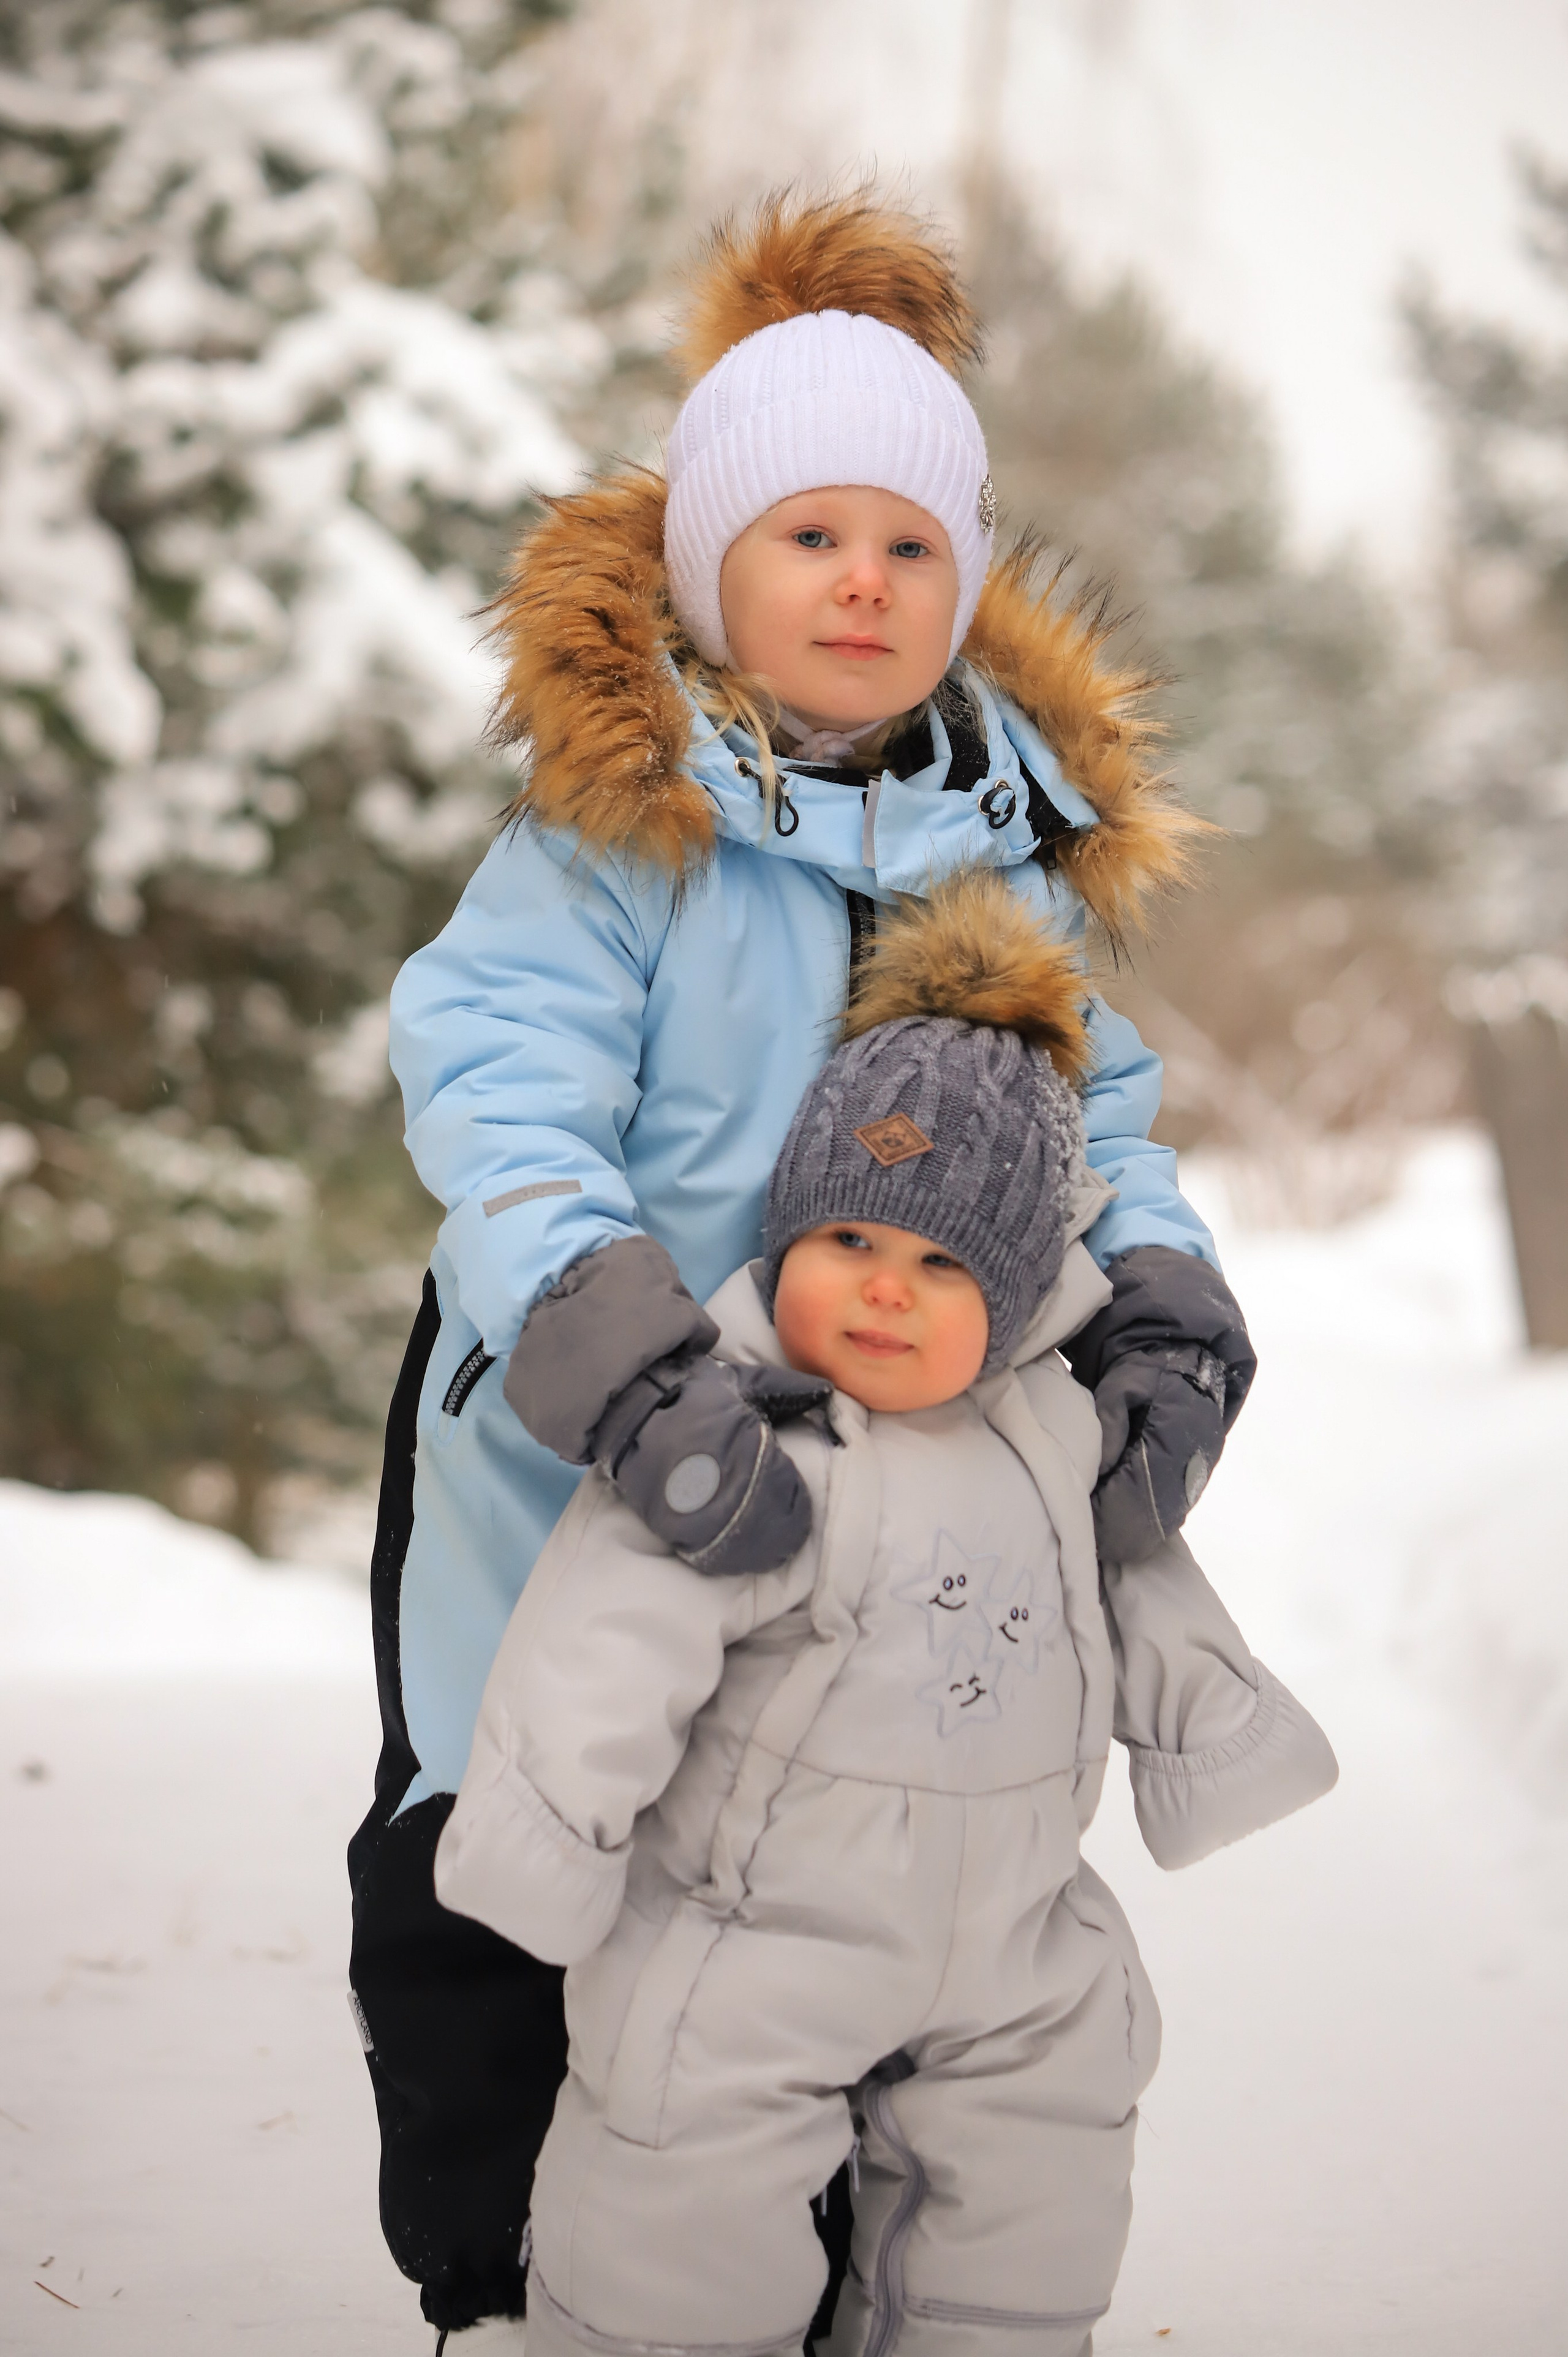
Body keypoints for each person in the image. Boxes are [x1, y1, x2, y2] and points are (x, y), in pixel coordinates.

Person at [348, 189, 1261, 2342]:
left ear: (965, 581)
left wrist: (1161, 1298)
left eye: (912, 544)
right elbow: (498, 1083)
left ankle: (814, 2277)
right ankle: (501, 2277)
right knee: (515, 1846)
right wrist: (611, 1337)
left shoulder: (999, 854)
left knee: (811, 1894)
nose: (864, 579)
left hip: (880, 1502)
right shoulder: (616, 838)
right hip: (574, 1439)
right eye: (811, 534)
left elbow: (1100, 1123)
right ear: (707, 569)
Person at [433, 872, 1338, 2357]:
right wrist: (548, 1837)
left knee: (1032, 2200)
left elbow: (1137, 1584)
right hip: (753, 1934)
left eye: (939, 1265)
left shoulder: (1058, 1438)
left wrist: (1212, 1736)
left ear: (1018, 1296)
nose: (883, 1294)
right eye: (847, 1241)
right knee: (679, 2186)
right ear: (784, 1240)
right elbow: (600, 1646)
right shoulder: (741, 1452)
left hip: (1017, 1942)